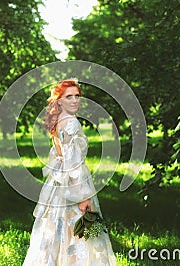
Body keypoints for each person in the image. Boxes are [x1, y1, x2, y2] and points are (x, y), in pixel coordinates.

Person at [23, 79, 117, 265]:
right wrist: (83, 196)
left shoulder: (59, 121)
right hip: (74, 184)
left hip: (59, 185)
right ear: (59, 101)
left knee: (59, 230)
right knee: (79, 233)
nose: (74, 100)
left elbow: (60, 157)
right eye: (69, 97)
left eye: (77, 96)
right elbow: (72, 163)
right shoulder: (71, 123)